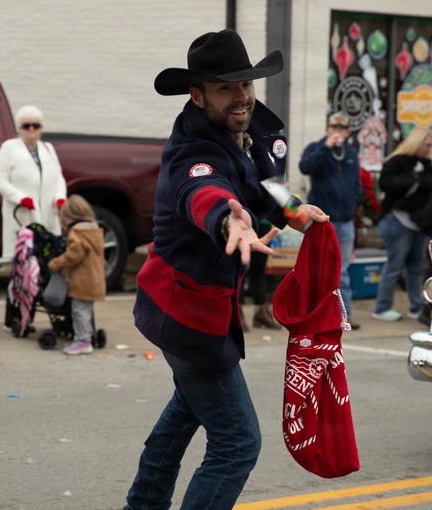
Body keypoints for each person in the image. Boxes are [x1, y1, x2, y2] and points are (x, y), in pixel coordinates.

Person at [124, 29, 328, 510]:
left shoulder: (248, 132)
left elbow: (267, 187)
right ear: (196, 96)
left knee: (185, 413)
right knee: (238, 443)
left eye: (246, 84)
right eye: (224, 88)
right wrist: (227, 218)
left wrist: (299, 212)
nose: (241, 97)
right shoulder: (192, 151)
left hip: (183, 306)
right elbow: (204, 190)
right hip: (186, 318)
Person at [299, 111, 362, 329]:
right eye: (334, 128)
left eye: (341, 129)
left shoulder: (351, 153)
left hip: (345, 221)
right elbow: (305, 167)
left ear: (347, 132)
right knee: (317, 269)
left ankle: (344, 315)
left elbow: (356, 184)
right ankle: (314, 314)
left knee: (342, 270)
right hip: (321, 222)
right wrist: (326, 146)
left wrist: (353, 205)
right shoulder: (317, 149)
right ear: (327, 130)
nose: (337, 133)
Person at [372, 126, 432, 322]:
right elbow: (386, 185)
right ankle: (382, 307)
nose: (429, 149)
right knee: (395, 265)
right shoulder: (397, 162)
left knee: (416, 267)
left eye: (431, 146)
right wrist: (414, 178)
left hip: (416, 222)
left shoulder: (427, 164)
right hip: (396, 219)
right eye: (426, 145)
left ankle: (416, 306)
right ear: (416, 143)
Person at [0, 105, 67, 257]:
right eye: (26, 126)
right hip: (22, 216)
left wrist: (60, 199)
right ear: (20, 128)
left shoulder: (48, 148)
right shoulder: (9, 148)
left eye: (36, 125)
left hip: (48, 215)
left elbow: (59, 178)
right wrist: (21, 198)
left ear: (41, 128)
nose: (31, 129)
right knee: (24, 262)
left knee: (49, 259)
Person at [47, 195, 105, 355]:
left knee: (79, 311)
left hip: (82, 282)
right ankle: (85, 336)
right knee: (85, 311)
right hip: (93, 280)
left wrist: (55, 263)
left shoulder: (76, 233)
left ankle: (83, 341)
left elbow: (74, 254)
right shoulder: (93, 229)